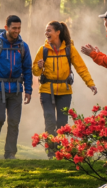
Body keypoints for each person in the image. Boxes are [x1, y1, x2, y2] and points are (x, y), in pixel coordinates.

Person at [32, 21, 97, 155]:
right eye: (46, 30)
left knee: (62, 123)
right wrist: (38, 66)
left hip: (65, 90)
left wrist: (90, 83)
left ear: (58, 32)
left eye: (49, 30)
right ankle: (51, 152)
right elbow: (35, 72)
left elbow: (81, 68)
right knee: (49, 119)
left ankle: (59, 151)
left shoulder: (69, 49)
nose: (46, 33)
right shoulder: (42, 50)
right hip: (46, 90)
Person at [0, 15, 32, 160]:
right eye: (14, 28)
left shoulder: (23, 47)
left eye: (19, 28)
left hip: (16, 89)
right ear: (6, 28)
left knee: (14, 122)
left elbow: (27, 69)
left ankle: (10, 153)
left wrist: (28, 90)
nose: (17, 31)